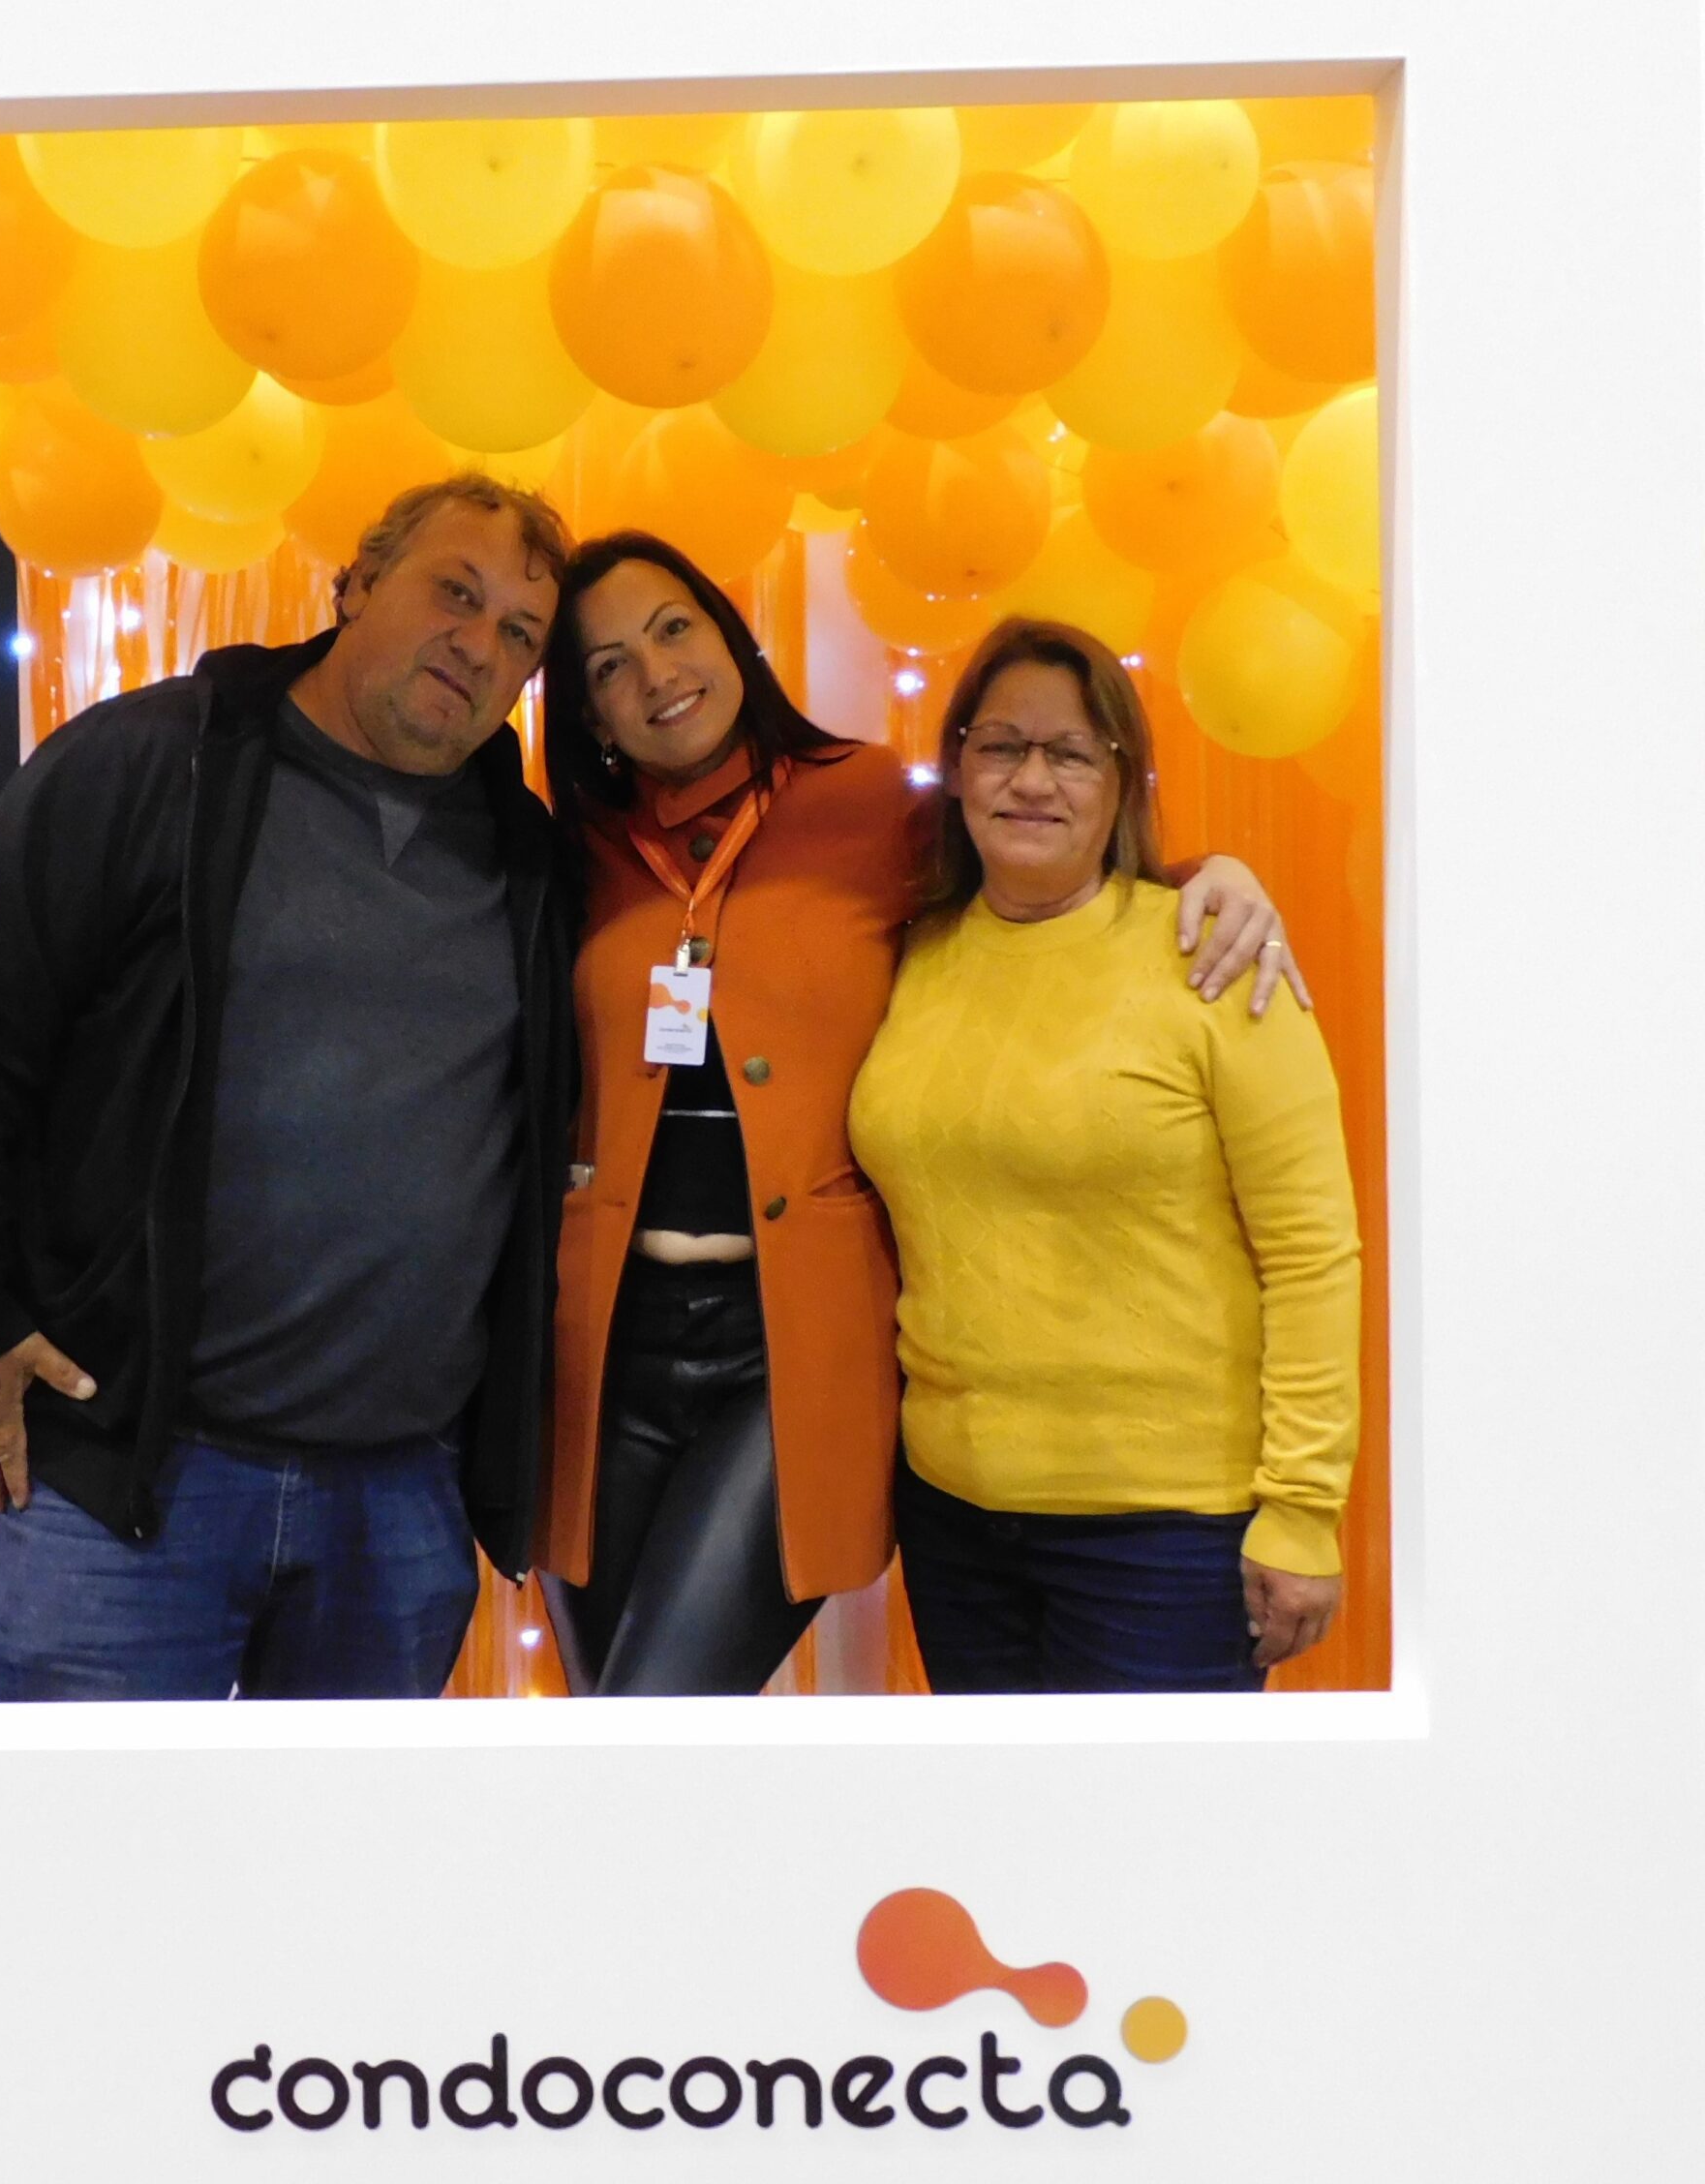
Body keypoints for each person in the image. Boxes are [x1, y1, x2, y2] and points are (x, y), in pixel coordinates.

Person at [531, 537, 1305, 1696]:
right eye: (606, 665)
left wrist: (1209, 872)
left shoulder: (864, 801)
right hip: (599, 1355)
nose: (655, 673)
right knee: (616, 1717)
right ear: (588, 712)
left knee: (653, 1713)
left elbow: (1038, 863)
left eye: (673, 627)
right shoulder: (570, 851)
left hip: (782, 1348)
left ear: (729, 634)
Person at [0, 474, 577, 1701]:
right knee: (78, 1830)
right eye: (454, 592)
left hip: (398, 1504)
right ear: (357, 583)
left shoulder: (530, 863)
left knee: (347, 1840)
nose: (477, 644)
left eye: (518, 634)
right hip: (127, 1483)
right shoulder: (147, 765)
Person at [848, 618, 1362, 1693]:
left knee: (1151, 1813)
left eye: (1072, 753)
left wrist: (1303, 1511)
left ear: (1122, 780)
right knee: (995, 1809)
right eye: (1001, 746)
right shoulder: (909, 956)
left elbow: (1312, 1255)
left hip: (1167, 1535)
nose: (1031, 780)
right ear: (956, 769)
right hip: (953, 1519)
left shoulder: (1215, 955)